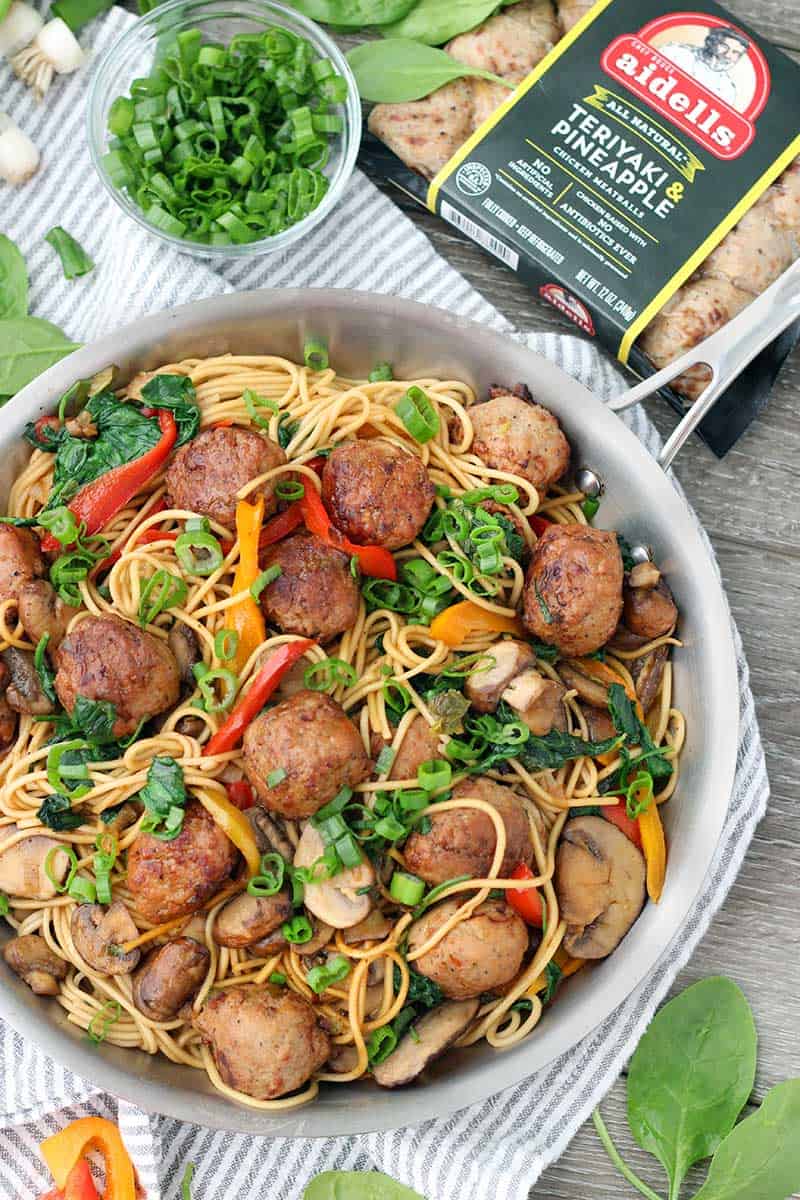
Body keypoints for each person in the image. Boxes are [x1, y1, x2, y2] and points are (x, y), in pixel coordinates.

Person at [659, 26, 750, 109]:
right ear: (710, 43)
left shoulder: (726, 90)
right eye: (724, 47)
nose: (727, 55)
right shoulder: (675, 53)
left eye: (735, 53)